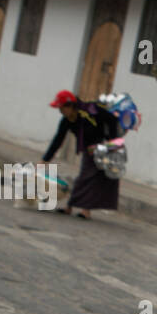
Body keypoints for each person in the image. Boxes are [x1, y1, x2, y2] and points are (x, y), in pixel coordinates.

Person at [41, 89, 121, 219]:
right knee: (89, 177)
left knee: (88, 177)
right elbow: (58, 140)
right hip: (89, 149)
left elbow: (111, 119)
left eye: (61, 108)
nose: (60, 112)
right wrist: (45, 159)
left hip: (102, 146)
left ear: (70, 106)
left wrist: (112, 142)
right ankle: (81, 209)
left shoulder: (90, 112)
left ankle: (76, 208)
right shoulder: (66, 120)